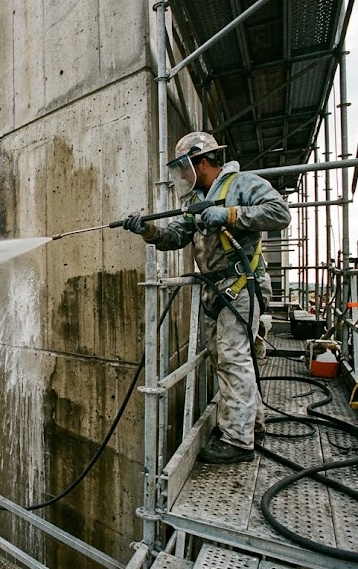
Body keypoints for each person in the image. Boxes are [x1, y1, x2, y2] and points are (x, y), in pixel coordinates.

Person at [122, 131, 290, 464]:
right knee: (227, 357)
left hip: (242, 284)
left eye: (184, 167)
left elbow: (279, 213)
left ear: (201, 161)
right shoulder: (196, 200)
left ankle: (238, 442)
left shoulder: (242, 184)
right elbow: (176, 237)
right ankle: (251, 426)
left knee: (232, 357)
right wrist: (148, 231)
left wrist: (230, 215)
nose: (182, 175)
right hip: (219, 290)